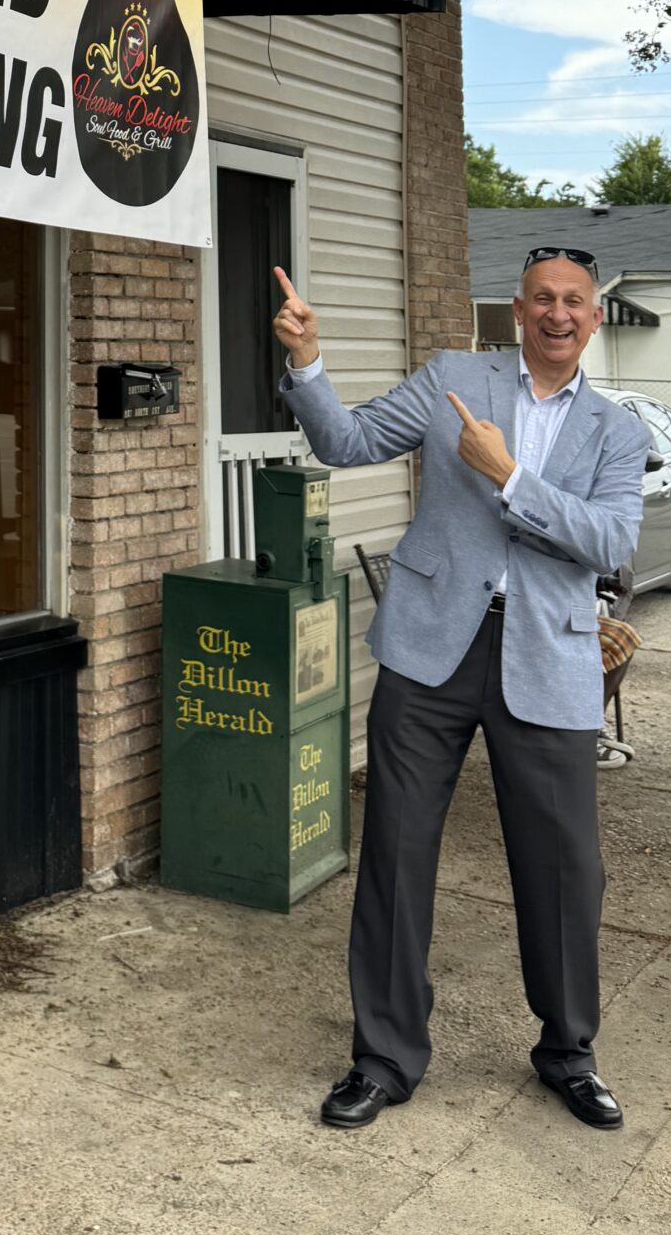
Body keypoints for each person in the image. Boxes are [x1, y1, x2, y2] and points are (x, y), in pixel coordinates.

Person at [271, 245, 643, 1134]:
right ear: (515, 311)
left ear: (595, 320)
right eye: (542, 298)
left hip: (547, 660)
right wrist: (306, 360)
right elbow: (347, 440)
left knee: (564, 869)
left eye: (575, 302)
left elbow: (610, 542)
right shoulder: (453, 378)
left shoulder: (617, 431)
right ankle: (386, 1057)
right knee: (397, 854)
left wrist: (508, 474)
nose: (558, 313)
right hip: (429, 647)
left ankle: (568, 1052)